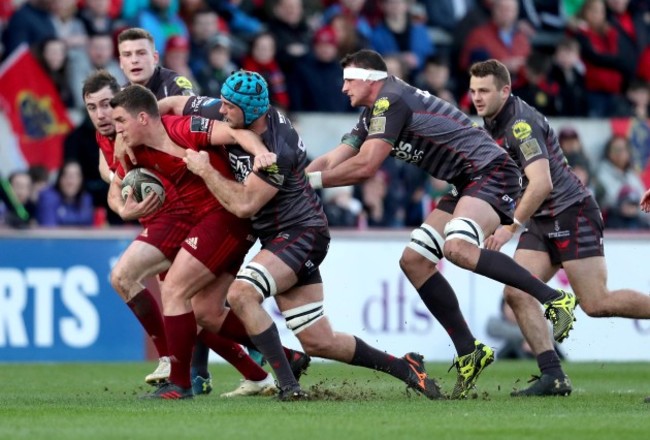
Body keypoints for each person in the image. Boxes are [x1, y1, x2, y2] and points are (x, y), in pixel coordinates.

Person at [304, 49, 577, 400]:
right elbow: (336, 157)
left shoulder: (391, 101)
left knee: (457, 248)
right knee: (414, 261)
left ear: (370, 78)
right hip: (465, 180)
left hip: (490, 173)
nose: (343, 89)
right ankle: (469, 351)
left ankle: (554, 299)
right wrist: (296, 179)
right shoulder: (375, 110)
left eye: (349, 80)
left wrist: (310, 184)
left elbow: (365, 167)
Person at [181, 69, 442, 401]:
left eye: (230, 107)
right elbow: (178, 102)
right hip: (284, 238)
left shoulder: (278, 149)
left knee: (242, 294)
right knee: (320, 341)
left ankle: (289, 386)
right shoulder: (235, 114)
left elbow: (245, 205)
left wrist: (203, 169)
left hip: (300, 234)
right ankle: (405, 367)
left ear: (252, 111)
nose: (221, 111)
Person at [83, 71, 308, 397]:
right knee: (176, 300)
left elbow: (234, 132)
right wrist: (123, 210)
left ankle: (181, 382)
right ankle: (279, 359)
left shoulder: (183, 128)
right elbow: (115, 190)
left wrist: (259, 151)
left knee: (176, 291)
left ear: (142, 118)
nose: (114, 127)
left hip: (222, 216)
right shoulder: (129, 146)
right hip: (180, 218)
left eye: (119, 119)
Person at [468, 58, 650, 398]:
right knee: (516, 291)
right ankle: (553, 375)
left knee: (596, 303)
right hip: (542, 221)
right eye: (473, 90)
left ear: (505, 91)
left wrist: (510, 227)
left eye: (484, 91)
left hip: (571, 213)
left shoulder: (520, 124)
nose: (477, 97)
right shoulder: (492, 121)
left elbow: (542, 183)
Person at [36, 160, 94, 226]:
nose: (71, 182)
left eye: (75, 176)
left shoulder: (85, 199)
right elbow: (49, 231)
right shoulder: (48, 197)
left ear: (81, 180)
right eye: (67, 175)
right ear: (60, 179)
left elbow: (88, 229)